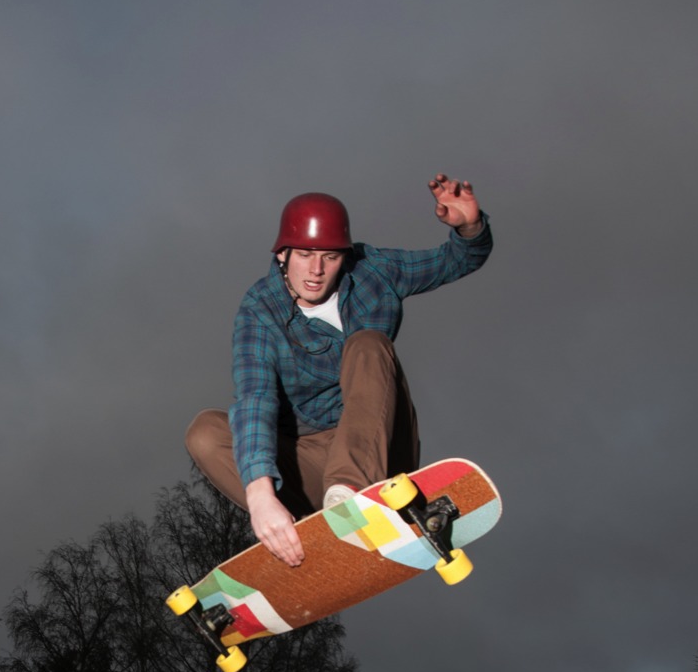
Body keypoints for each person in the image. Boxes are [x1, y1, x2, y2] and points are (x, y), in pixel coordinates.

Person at [185, 174, 492, 566]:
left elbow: (456, 261)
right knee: (205, 433)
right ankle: (300, 526)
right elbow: (254, 398)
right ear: (282, 254)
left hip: (382, 444)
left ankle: (352, 499)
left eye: (329, 258)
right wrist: (260, 497)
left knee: (367, 344)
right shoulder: (260, 311)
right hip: (312, 461)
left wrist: (469, 227)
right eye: (304, 256)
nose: (316, 271)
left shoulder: (373, 270)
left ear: (344, 256)